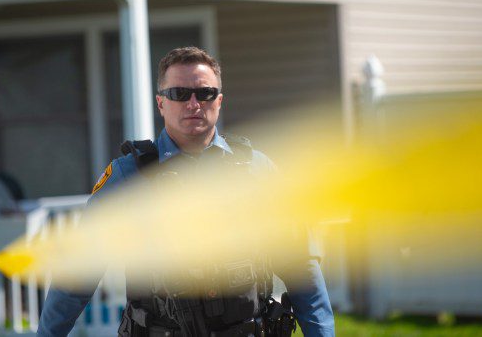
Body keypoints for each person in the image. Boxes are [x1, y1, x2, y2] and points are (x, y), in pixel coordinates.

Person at [37, 47, 334, 337]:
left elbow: (300, 268)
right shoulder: (128, 176)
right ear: (161, 103)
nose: (193, 104)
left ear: (219, 101)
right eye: (179, 94)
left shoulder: (257, 170)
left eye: (204, 93)